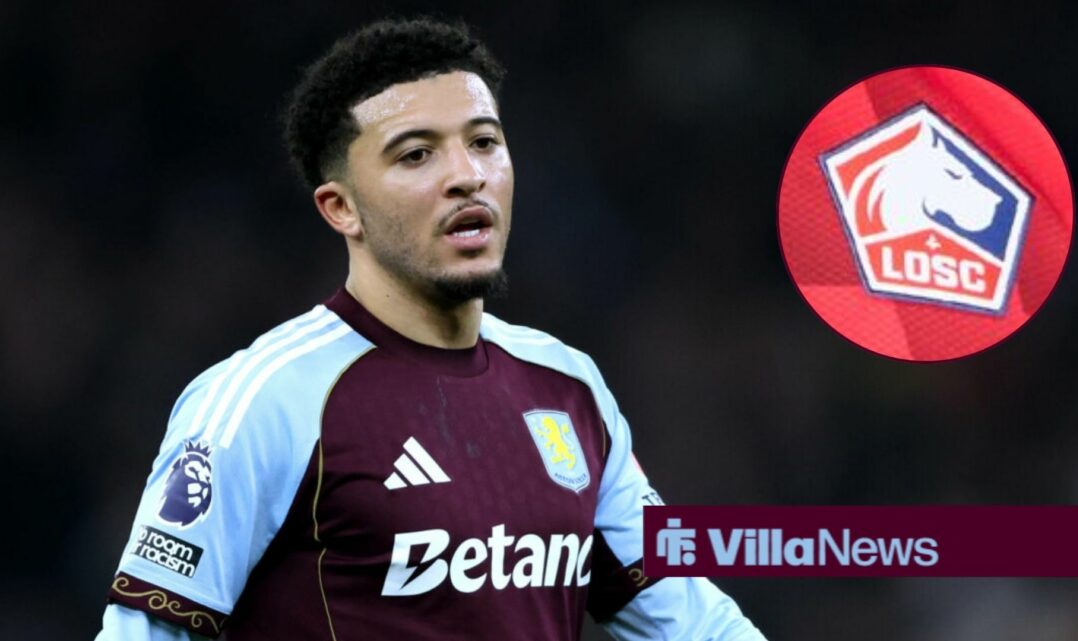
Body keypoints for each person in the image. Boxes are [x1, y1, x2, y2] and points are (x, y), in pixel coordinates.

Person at [95, 17, 766, 641]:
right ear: (341, 208)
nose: (467, 176)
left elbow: (694, 622)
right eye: (417, 155)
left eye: (484, 142)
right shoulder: (264, 399)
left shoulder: (569, 386)